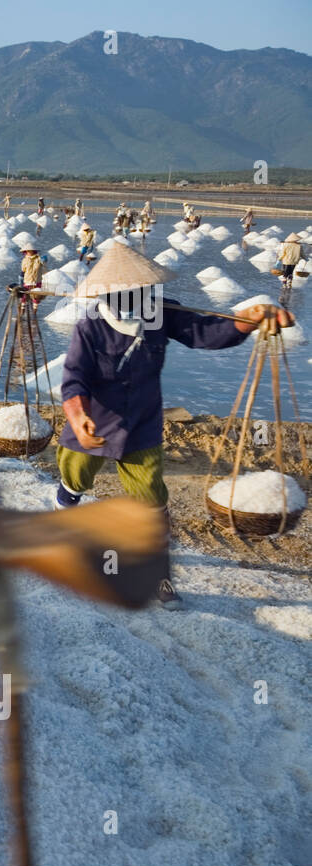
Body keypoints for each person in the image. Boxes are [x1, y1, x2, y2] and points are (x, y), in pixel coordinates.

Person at [54, 244, 293, 609]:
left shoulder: (163, 314)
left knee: (152, 502)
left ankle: (159, 576)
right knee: (74, 481)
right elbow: (73, 379)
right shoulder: (90, 327)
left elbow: (207, 333)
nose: (139, 298)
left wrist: (250, 318)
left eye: (144, 290)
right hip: (93, 423)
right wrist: (78, 416)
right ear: (107, 293)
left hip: (142, 426)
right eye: (127, 292)